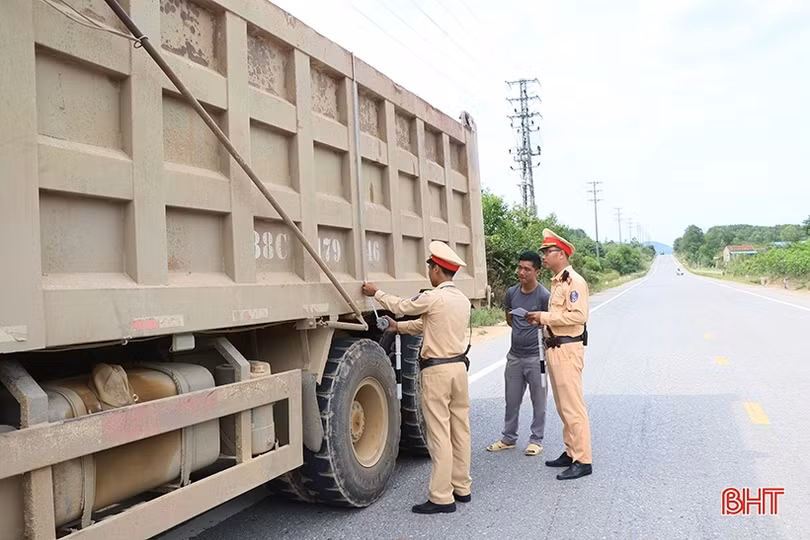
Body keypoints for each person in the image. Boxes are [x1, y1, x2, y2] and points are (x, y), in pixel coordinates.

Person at [361, 241, 472, 514]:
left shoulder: (433, 297)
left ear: (436, 269)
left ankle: (441, 497)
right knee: (460, 430)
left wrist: (377, 294)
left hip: (437, 372)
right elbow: (426, 324)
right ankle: (462, 487)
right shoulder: (461, 300)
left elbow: (403, 305)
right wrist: (397, 328)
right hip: (459, 369)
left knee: (438, 434)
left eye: (430, 267)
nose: (429, 273)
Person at [527, 229, 593, 480]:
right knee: (562, 405)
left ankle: (583, 459)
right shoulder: (557, 281)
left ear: (562, 254)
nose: (543, 256)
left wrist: (544, 317)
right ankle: (571, 450)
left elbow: (579, 316)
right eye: (543, 252)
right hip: (555, 347)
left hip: (567, 348)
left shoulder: (573, 282)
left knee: (573, 406)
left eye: (548, 252)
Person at [486, 251, 550, 457]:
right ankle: (508, 438)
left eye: (527, 269)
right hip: (514, 356)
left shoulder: (543, 296)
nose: (521, 272)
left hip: (536, 357)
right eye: (519, 268)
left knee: (538, 400)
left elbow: (550, 324)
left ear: (537, 272)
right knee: (511, 399)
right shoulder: (511, 293)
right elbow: (509, 320)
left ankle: (536, 440)